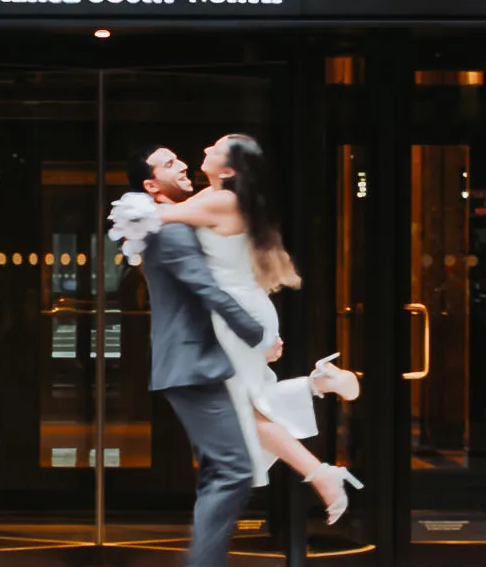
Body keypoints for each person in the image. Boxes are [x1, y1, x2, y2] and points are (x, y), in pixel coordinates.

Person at [119, 134, 362, 525]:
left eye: (212, 150)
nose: (201, 153)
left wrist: (141, 203)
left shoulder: (222, 200)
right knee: (248, 403)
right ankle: (317, 389)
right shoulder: (213, 197)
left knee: (240, 409)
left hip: (235, 313)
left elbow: (153, 219)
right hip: (240, 309)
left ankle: (320, 468)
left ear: (229, 169)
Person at [122, 142, 268, 567]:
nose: (181, 164)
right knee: (234, 468)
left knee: (218, 471)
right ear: (149, 185)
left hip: (194, 362)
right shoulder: (171, 228)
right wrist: (253, 329)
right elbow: (205, 288)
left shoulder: (165, 222)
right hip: (192, 363)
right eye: (167, 164)